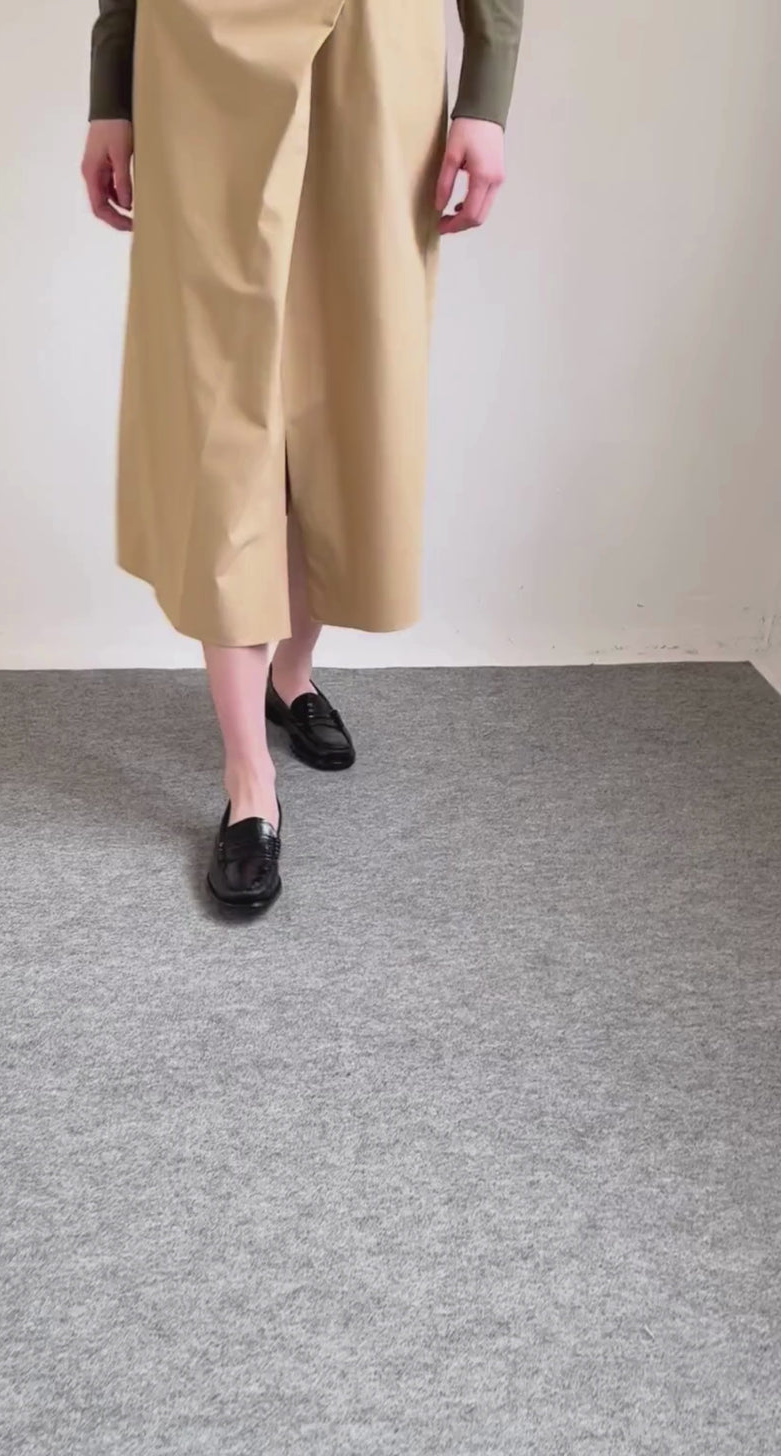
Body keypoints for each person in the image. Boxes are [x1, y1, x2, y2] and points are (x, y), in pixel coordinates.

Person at [81, 0, 523, 915]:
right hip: (200, 50)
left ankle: (292, 676)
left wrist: (488, 90)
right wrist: (110, 90)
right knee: (217, 403)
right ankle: (249, 779)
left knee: (350, 392)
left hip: (375, 45)